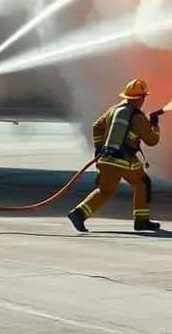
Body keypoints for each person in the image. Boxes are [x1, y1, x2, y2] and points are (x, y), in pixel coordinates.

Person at [68, 79, 162, 233]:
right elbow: (152, 140)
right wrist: (155, 126)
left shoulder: (113, 110)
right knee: (142, 183)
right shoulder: (138, 117)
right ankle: (141, 221)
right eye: (143, 97)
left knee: (105, 190)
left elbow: (96, 126)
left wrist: (99, 149)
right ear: (139, 98)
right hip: (125, 161)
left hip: (106, 159)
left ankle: (78, 214)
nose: (144, 100)